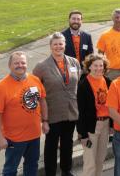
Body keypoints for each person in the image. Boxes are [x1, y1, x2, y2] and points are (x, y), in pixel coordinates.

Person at [0, 51, 49, 176]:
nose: (20, 65)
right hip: (14, 139)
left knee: (32, 165)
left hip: (34, 135)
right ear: (10, 65)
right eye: (16, 63)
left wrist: (45, 121)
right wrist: (0, 138)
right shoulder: (1, 87)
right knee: (10, 170)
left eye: (23, 62)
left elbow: (42, 100)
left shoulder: (35, 80)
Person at [32, 32, 82, 176]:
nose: (58, 47)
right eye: (55, 44)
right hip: (52, 113)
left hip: (71, 111)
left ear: (65, 45)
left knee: (67, 144)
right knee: (51, 146)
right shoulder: (41, 66)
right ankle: (51, 173)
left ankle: (66, 171)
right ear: (50, 46)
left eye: (61, 44)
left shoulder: (74, 62)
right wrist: (42, 117)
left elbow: (76, 83)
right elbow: (35, 91)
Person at [76, 54, 112, 176]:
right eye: (95, 65)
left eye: (101, 65)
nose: (98, 68)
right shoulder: (83, 85)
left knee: (100, 159)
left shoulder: (107, 81)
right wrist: (83, 135)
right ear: (89, 67)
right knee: (90, 162)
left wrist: (112, 125)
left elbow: (112, 105)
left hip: (105, 124)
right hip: (91, 126)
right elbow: (79, 112)